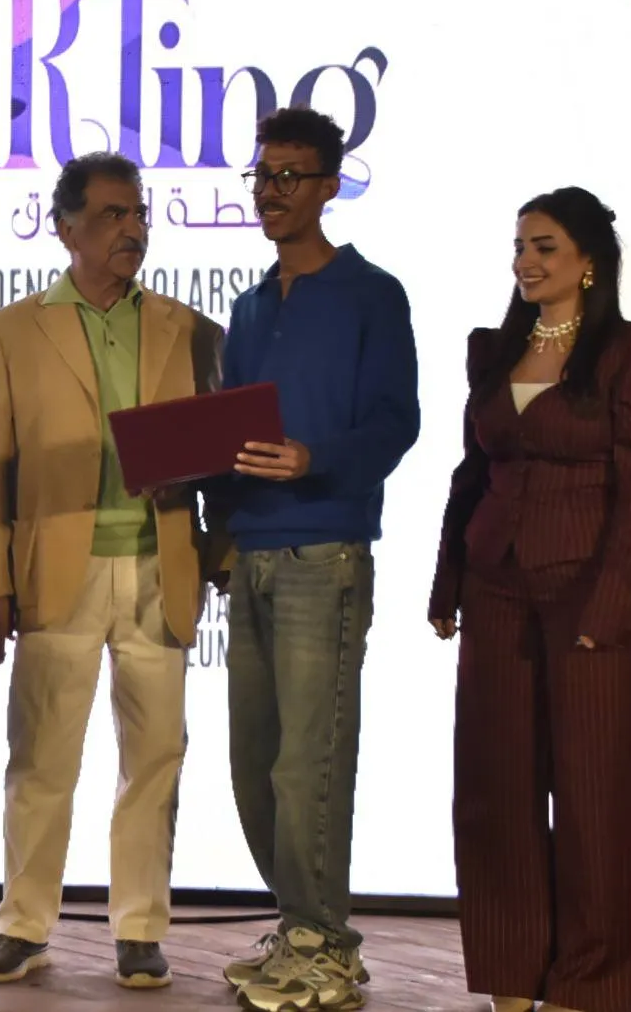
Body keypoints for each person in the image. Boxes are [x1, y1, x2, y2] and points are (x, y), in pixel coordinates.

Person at [0, 152, 227, 989]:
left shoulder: (191, 329)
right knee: (41, 757)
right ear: (65, 227)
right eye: (113, 213)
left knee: (156, 756)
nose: (132, 227)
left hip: (160, 565)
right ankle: (23, 924)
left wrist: (220, 550)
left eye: (139, 212)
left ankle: (140, 928)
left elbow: (222, 458)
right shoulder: (12, 331)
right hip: (54, 572)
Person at [428, 187, 631, 1012]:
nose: (526, 262)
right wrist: (448, 580)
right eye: (519, 247)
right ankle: (511, 971)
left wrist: (611, 608)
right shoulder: (493, 349)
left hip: (589, 592)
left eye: (543, 246)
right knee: (495, 787)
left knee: (597, 794)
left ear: (588, 261)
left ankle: (592, 982)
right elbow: (473, 471)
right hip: (496, 583)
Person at [210, 107, 420, 1012]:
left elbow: (397, 421)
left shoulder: (372, 293)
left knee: (310, 765)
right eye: (263, 174)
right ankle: (300, 926)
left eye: (290, 176)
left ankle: (325, 945)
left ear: (331, 185)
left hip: (324, 551)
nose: (272, 191)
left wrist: (314, 458)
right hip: (250, 553)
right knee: (254, 764)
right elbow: (232, 429)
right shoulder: (251, 304)